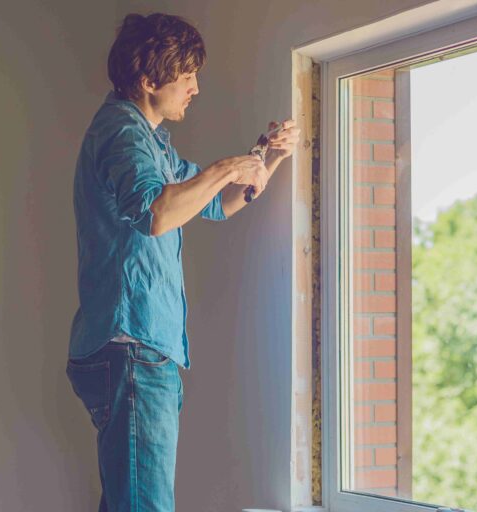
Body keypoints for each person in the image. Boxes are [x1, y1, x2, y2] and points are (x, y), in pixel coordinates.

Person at [65, 12, 300, 511]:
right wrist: (222, 168)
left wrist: (268, 158)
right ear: (149, 80)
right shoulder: (122, 133)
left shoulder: (152, 141)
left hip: (144, 349)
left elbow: (216, 203)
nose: (195, 87)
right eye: (187, 75)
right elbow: (156, 212)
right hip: (132, 348)